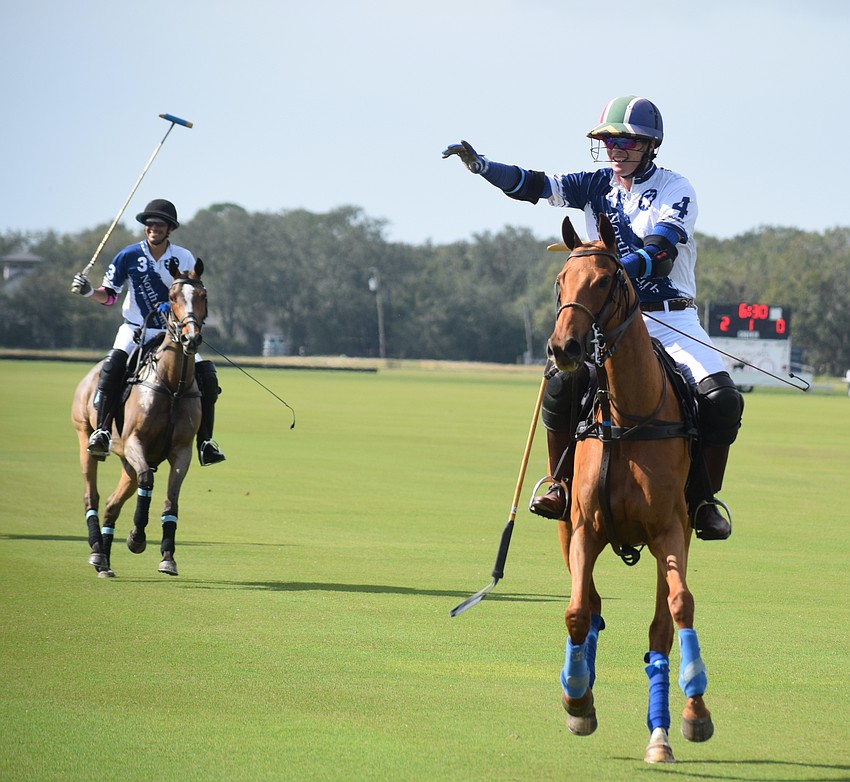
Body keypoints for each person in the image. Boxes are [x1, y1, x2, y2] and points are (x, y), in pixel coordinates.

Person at [443, 96, 743, 540]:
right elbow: (535, 184)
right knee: (562, 382)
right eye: (608, 140)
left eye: (625, 141)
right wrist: (484, 167)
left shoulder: (675, 188)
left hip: (670, 319)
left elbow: (661, 250)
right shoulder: (593, 184)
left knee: (722, 400)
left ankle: (702, 501)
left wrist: (619, 269)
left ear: (649, 145)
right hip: (609, 325)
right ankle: (559, 484)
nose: (615, 149)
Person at [71, 198, 226, 467]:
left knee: (207, 377)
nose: (153, 228)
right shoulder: (128, 255)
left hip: (172, 333)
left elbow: (189, 294)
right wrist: (88, 291)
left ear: (169, 229)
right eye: (149, 224)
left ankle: (206, 443)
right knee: (112, 368)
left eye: (160, 224)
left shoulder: (183, 257)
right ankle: (103, 432)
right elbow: (109, 297)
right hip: (134, 330)